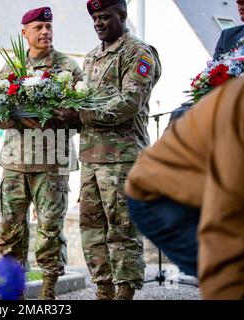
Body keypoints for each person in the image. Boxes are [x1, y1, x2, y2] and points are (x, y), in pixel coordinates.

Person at [54, 0, 161, 300]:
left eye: (105, 17)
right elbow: (82, 103)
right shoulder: (90, 59)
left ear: (122, 16)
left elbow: (130, 102)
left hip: (122, 158)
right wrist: (62, 114)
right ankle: (103, 287)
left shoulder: (139, 53)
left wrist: (81, 115)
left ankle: (125, 291)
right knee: (91, 228)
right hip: (90, 157)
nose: (98, 23)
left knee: (122, 227)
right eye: (95, 19)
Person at [125, 77, 244, 300]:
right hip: (158, 196)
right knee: (234, 270)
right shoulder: (242, 108)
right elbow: (226, 221)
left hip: (206, 186)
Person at [0, 6, 83, 300]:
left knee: (50, 230)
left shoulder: (68, 68)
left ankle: (48, 290)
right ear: (25, 33)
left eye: (48, 26)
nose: (45, 32)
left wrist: (58, 113)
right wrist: (16, 117)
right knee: (11, 230)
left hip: (52, 161)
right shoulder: (11, 69)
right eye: (39, 27)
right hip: (16, 162)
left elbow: (82, 113)